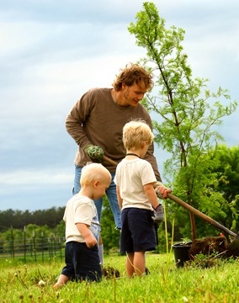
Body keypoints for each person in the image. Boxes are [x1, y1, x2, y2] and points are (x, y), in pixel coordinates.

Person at [65, 63, 171, 263]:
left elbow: (147, 153)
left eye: (144, 94)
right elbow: (71, 122)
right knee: (86, 219)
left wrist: (155, 182)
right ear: (123, 85)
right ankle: (93, 266)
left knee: (128, 219)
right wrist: (87, 146)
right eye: (137, 92)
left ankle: (136, 266)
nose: (140, 97)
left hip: (121, 172)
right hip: (89, 169)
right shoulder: (94, 97)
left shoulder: (141, 115)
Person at [114, 120, 164, 277]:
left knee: (129, 250)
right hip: (140, 211)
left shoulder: (120, 165)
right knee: (139, 249)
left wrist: (122, 209)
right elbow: (149, 189)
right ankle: (140, 278)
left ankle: (130, 278)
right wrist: (158, 207)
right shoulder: (143, 165)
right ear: (144, 144)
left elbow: (118, 190)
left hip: (126, 212)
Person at [53, 163, 112, 289]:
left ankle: (59, 284)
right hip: (84, 244)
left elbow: (67, 220)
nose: (104, 193)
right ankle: (90, 288)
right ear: (96, 184)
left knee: (69, 268)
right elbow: (80, 222)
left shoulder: (72, 201)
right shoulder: (86, 203)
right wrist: (88, 236)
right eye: (105, 189)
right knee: (92, 271)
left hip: (70, 243)